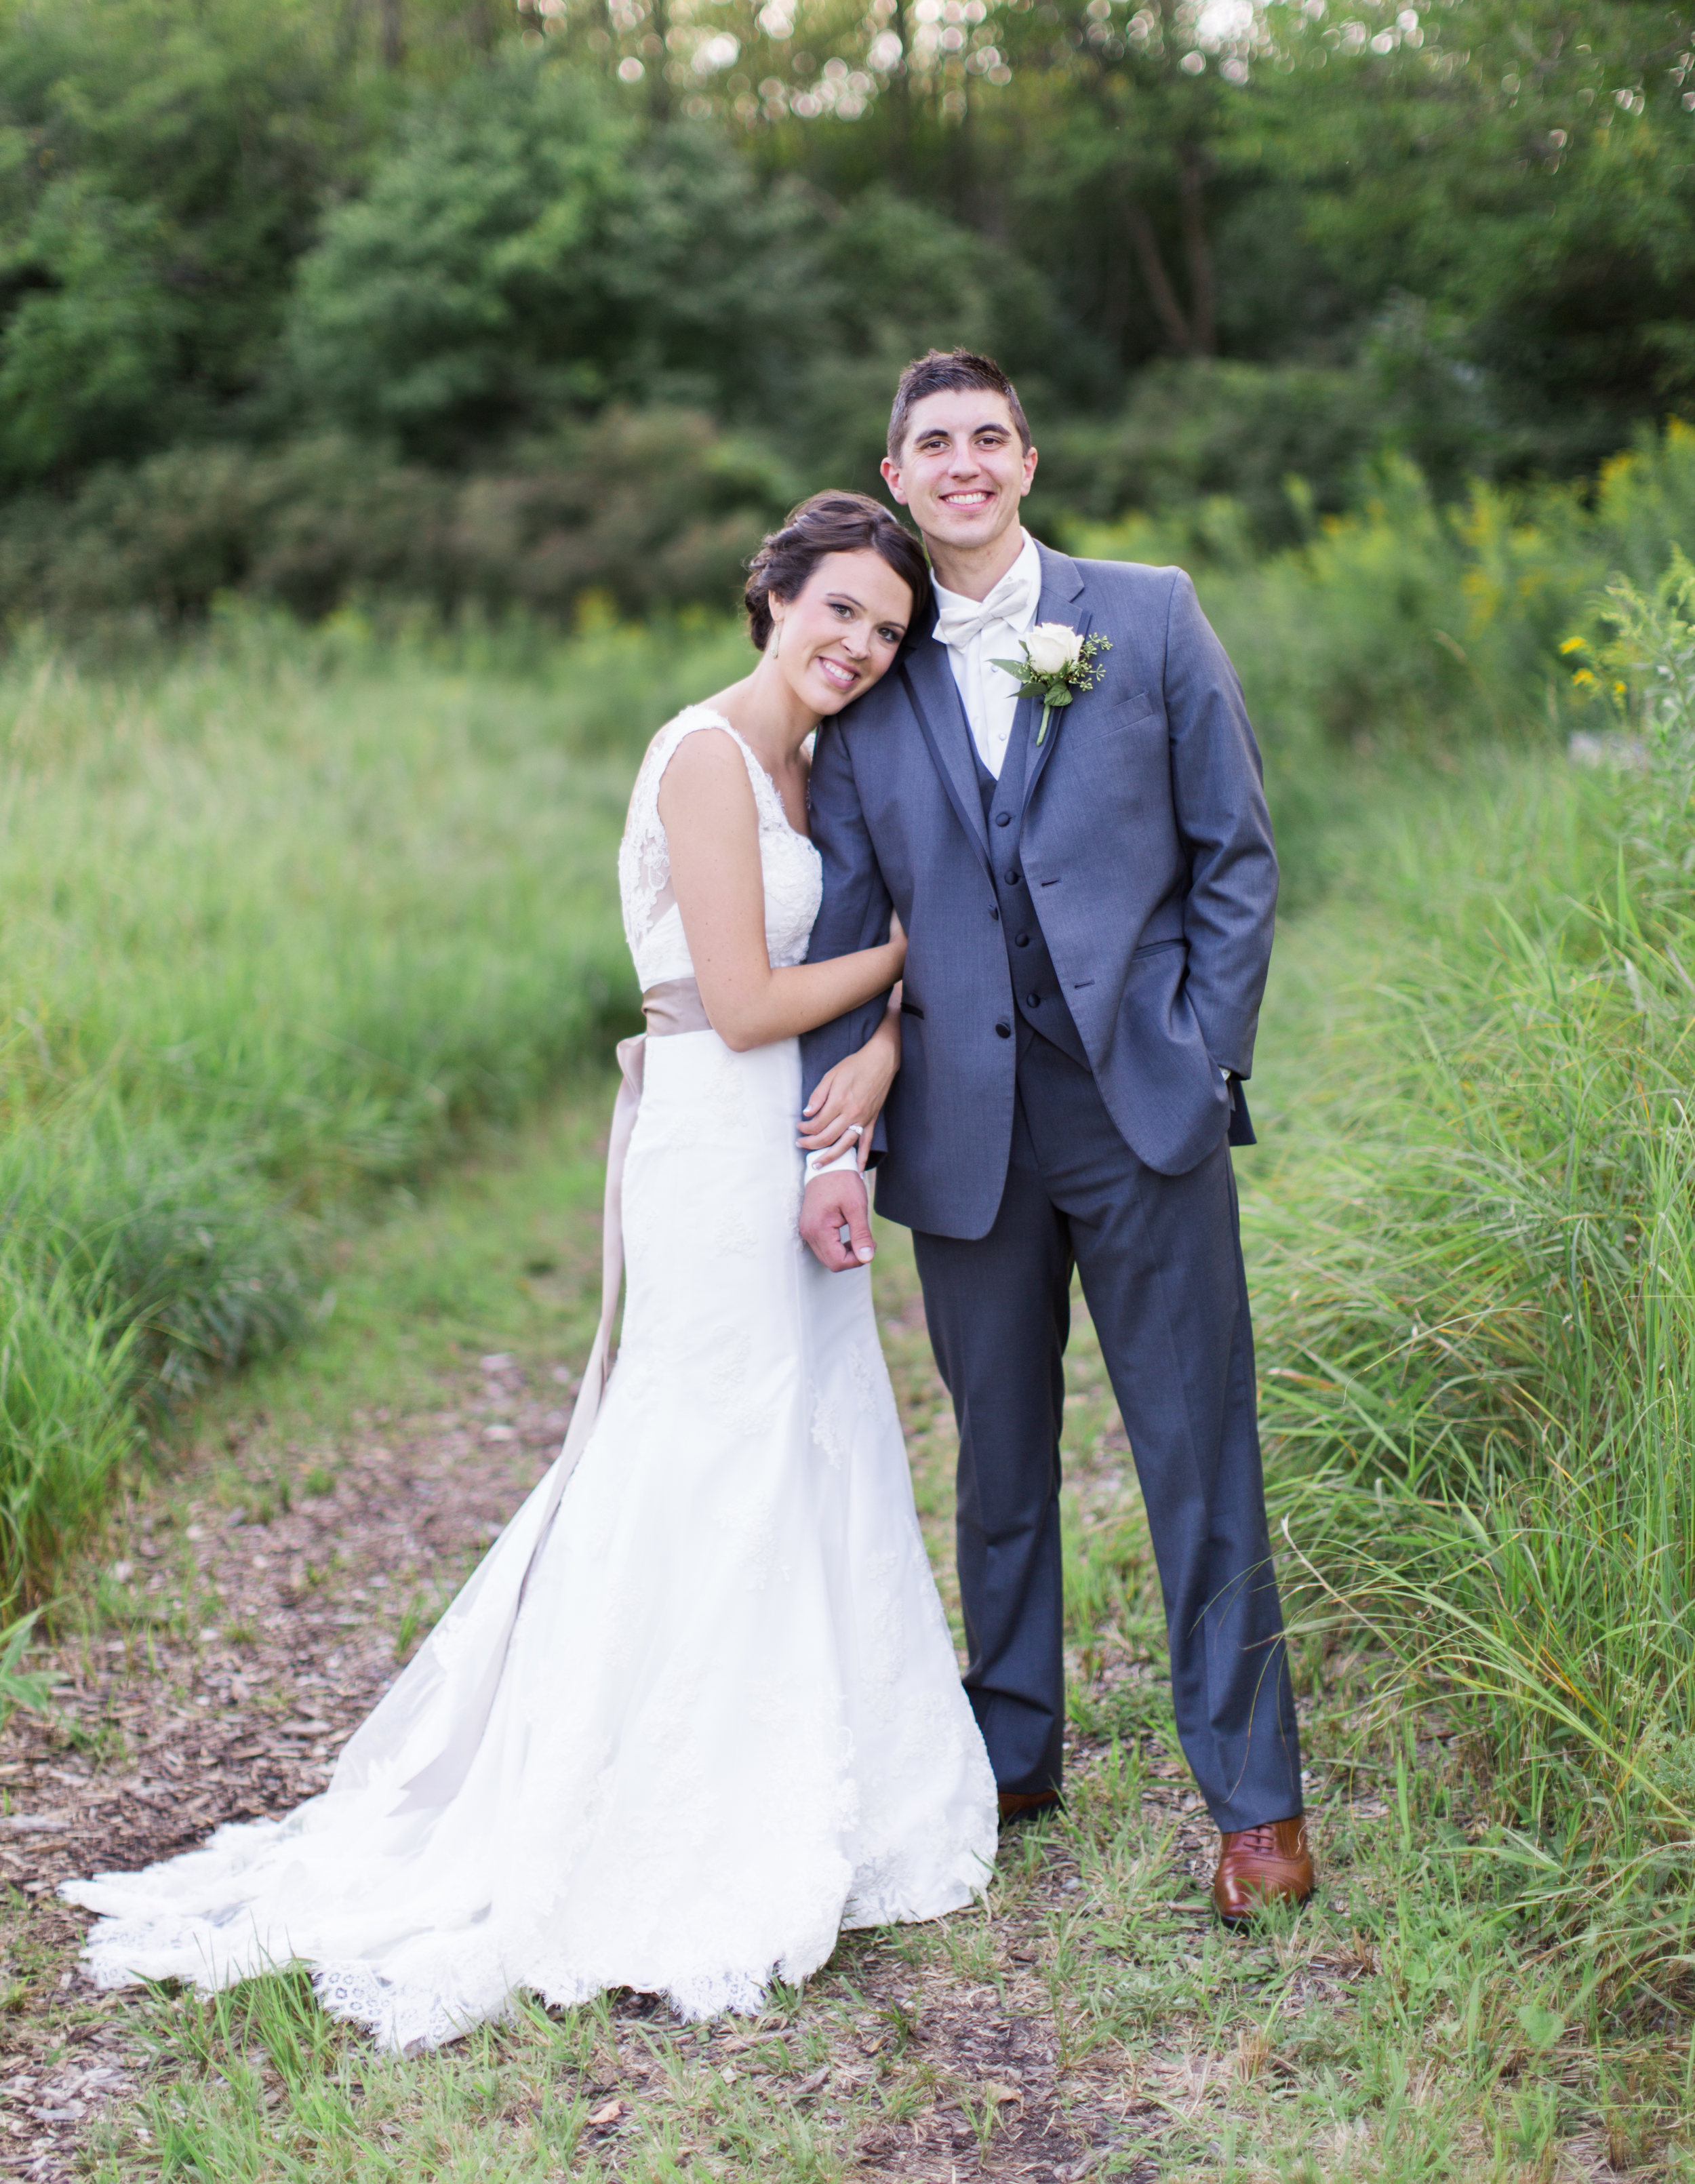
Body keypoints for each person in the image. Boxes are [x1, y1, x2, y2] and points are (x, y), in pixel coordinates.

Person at [62, 492, 997, 2049]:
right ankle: (643, 1807)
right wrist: (911, 962)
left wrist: (889, 1049)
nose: (858, 646)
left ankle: (837, 1778)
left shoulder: (822, 764)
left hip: (805, 1140)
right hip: (712, 1139)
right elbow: (752, 1000)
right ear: (770, 594)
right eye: (838, 610)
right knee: (706, 1447)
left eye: (886, 631)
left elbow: (834, 1002)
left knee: (812, 1430)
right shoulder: (701, 754)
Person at [798, 351, 1315, 1923]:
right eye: (931, 444)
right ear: (895, 477)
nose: (961, 463)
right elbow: (842, 915)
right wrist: (837, 1131)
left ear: (1027, 458)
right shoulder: (866, 670)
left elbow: (1234, 858)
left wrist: (1198, 1054)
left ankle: (1252, 1804)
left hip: (1138, 1111)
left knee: (1195, 1453)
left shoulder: (1144, 612)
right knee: (999, 1460)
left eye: (987, 438)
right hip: (963, 1130)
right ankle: (1009, 1755)